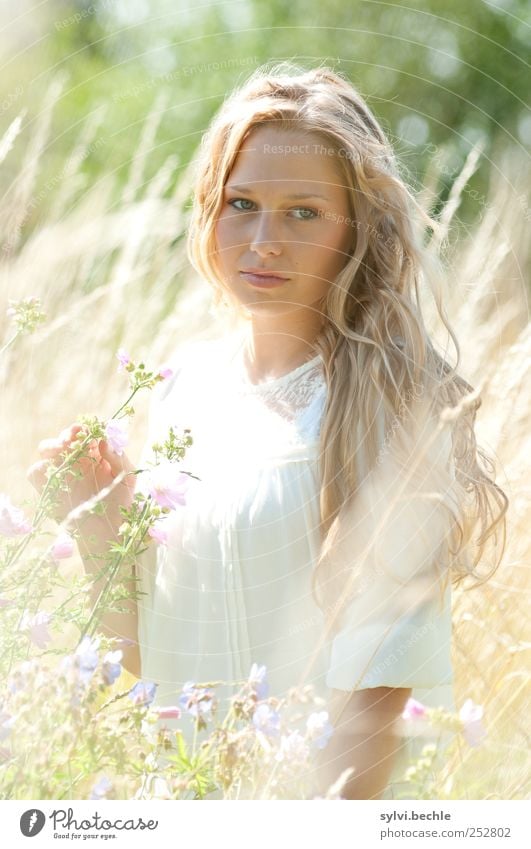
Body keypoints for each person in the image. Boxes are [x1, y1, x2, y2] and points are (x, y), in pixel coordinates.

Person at [28, 62, 508, 800]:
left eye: (303, 212)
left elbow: (377, 698)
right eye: (241, 202)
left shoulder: (385, 406)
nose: (263, 240)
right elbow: (156, 664)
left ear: (359, 225)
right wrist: (103, 526)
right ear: (207, 211)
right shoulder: (181, 392)